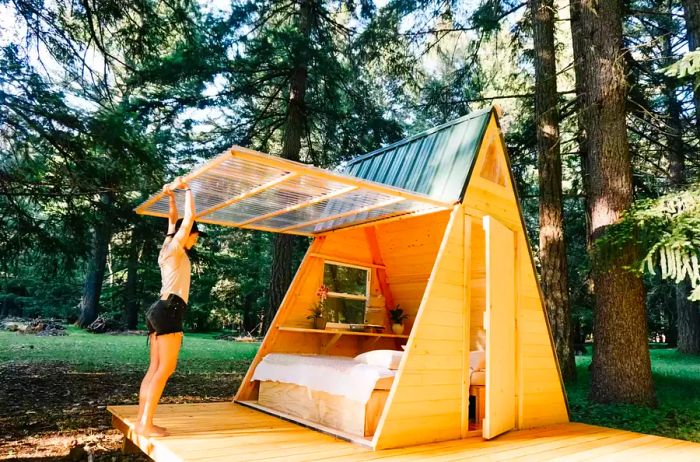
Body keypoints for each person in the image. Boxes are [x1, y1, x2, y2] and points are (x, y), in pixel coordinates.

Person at [134, 178, 205, 437]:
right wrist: (187, 189)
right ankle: (145, 424)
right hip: (169, 310)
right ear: (189, 236)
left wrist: (171, 197)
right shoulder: (176, 248)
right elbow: (187, 219)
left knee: (154, 368)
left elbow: (173, 220)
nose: (195, 240)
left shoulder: (167, 245)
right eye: (195, 236)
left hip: (159, 309)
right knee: (165, 369)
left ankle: (142, 421)